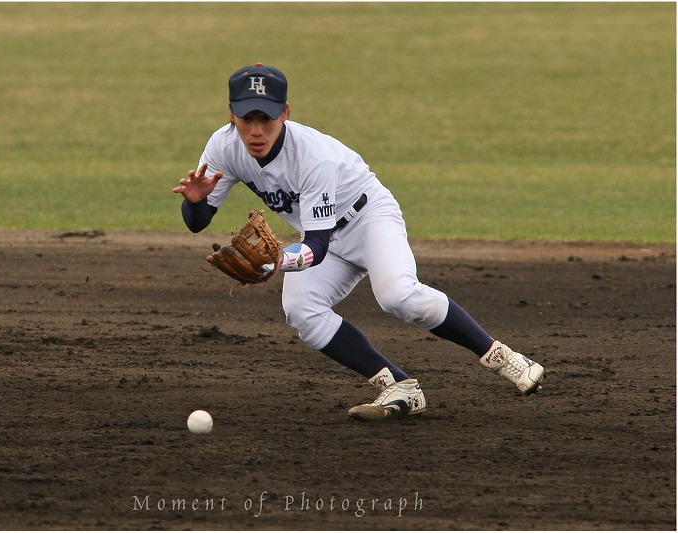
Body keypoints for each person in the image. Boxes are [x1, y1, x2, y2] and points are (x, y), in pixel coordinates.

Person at [172, 63, 544, 420]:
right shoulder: (223, 147)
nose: (256, 130)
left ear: (284, 113)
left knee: (398, 296)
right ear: (231, 114)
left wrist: (275, 262)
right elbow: (197, 224)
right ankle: (399, 386)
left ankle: (505, 358)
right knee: (302, 309)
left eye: (265, 118)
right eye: (246, 118)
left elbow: (316, 245)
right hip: (321, 236)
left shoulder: (312, 157)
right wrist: (195, 202)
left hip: (368, 219)